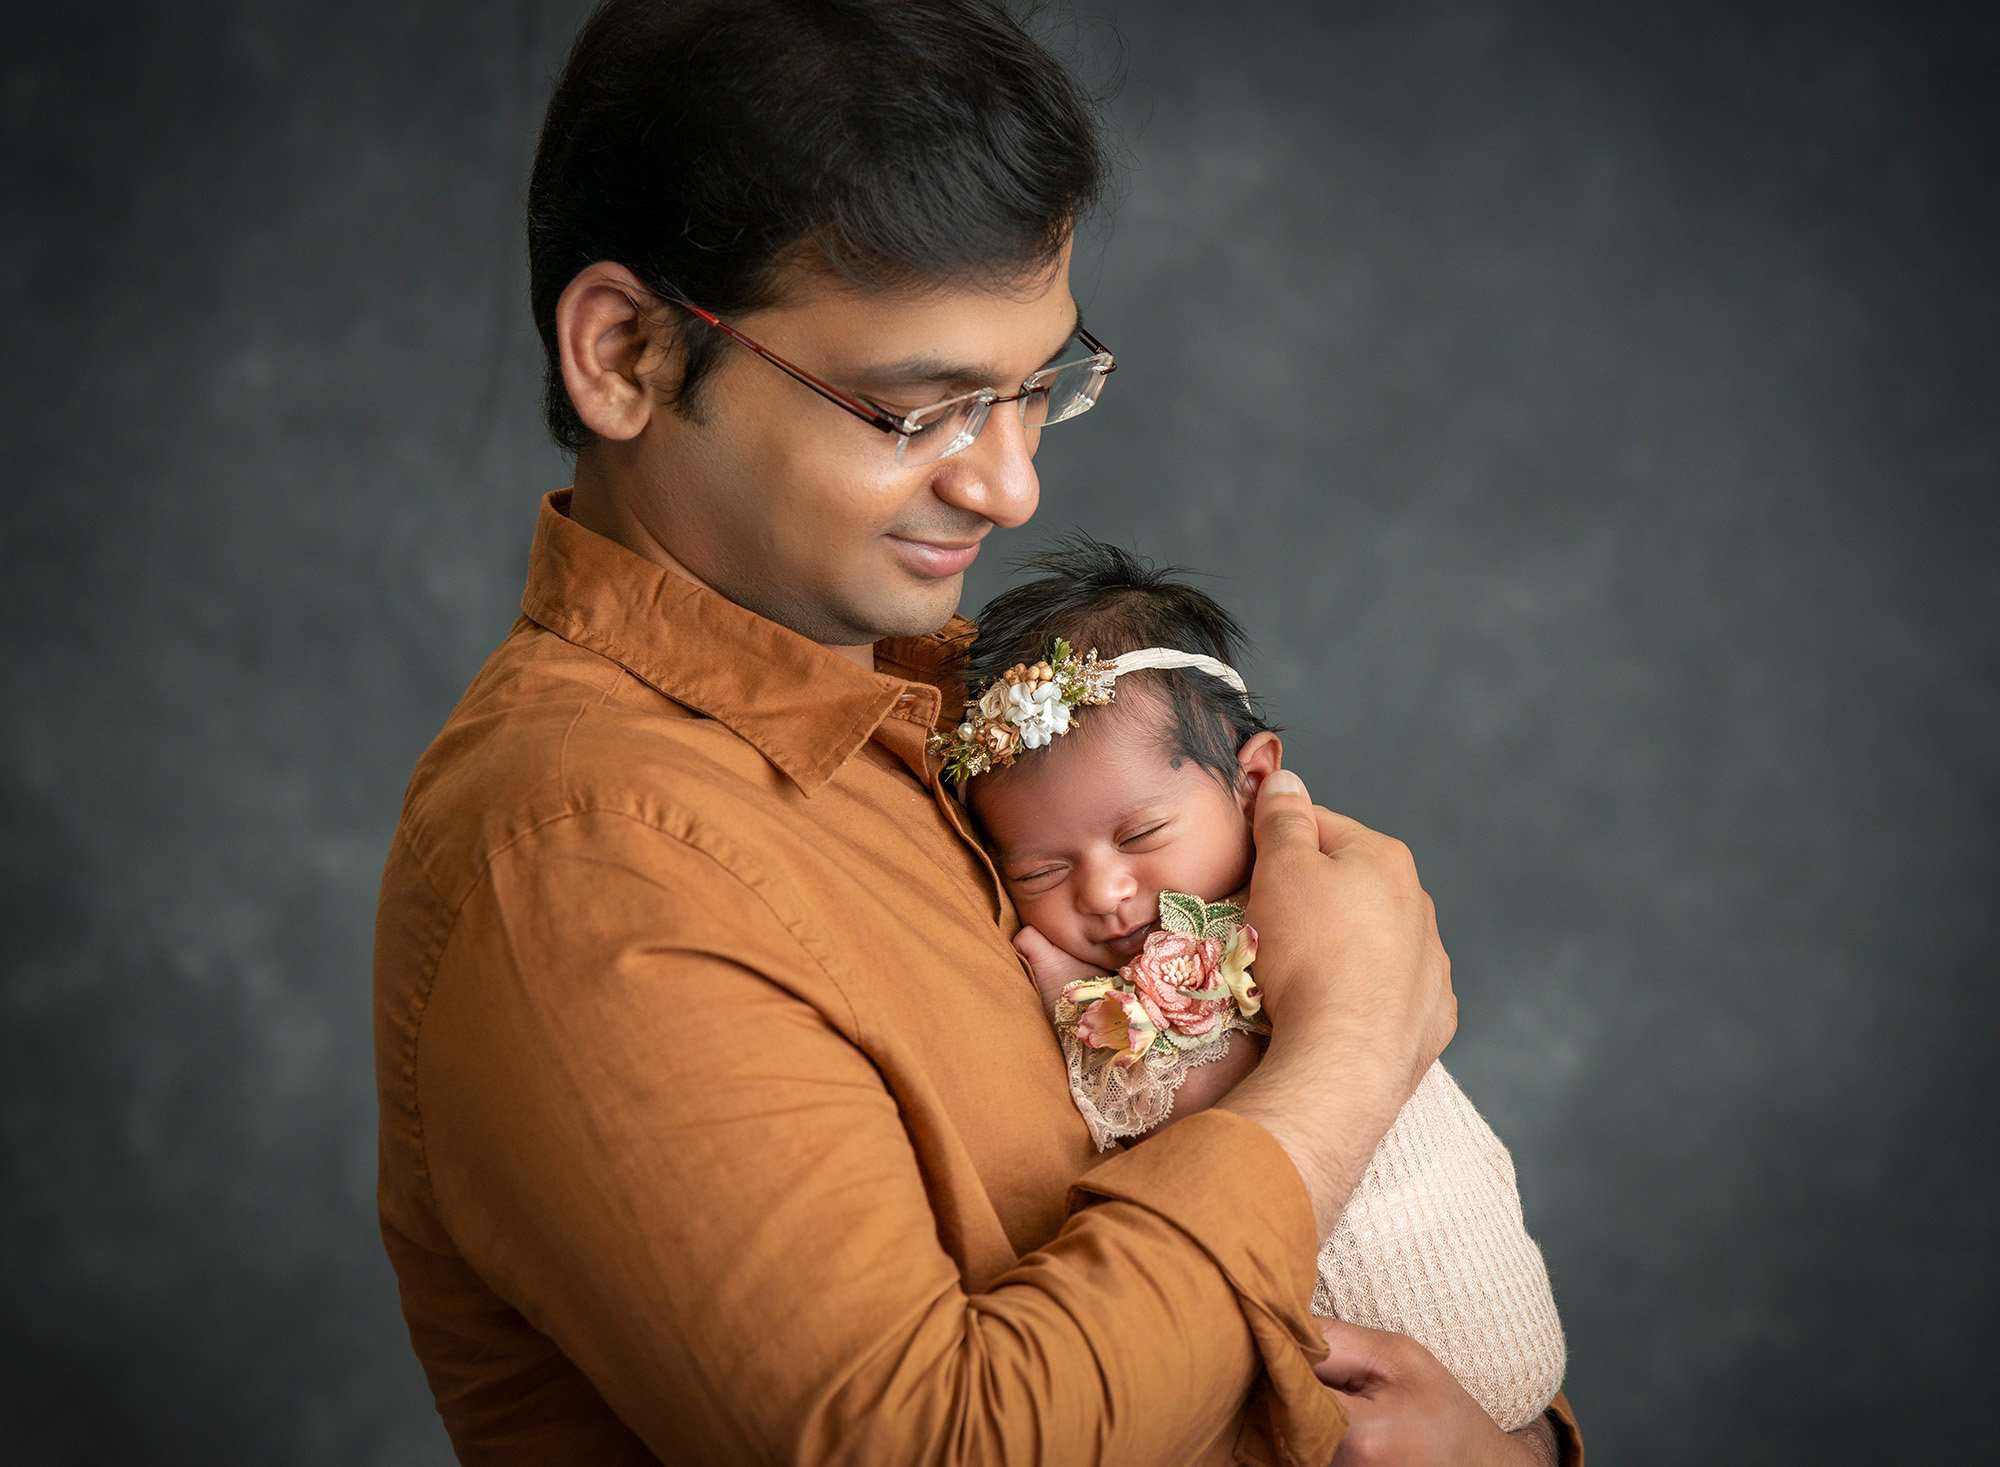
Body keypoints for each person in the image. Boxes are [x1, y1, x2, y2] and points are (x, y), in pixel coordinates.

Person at [371, 2, 1584, 1462]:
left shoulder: (973, 736)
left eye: (1034, 389)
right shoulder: (583, 857)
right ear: (625, 352)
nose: (1010, 487)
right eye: (917, 411)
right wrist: (1345, 1056)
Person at [946, 538, 1570, 1434]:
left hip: (1442, 1290)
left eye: (1141, 834)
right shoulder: (1135, 946)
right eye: (1042, 870)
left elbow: (1231, 1107)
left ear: (1253, 781)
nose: (1104, 892)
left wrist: (1076, 1001)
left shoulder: (1295, 912)